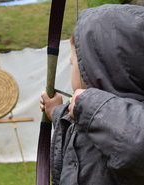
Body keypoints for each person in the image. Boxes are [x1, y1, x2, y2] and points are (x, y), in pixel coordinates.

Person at [40, 4, 144, 185]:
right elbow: (76, 122)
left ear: (96, 67)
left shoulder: (127, 117)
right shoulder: (89, 115)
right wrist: (55, 110)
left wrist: (88, 104)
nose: (72, 66)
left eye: (73, 63)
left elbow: (135, 144)